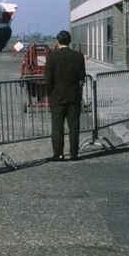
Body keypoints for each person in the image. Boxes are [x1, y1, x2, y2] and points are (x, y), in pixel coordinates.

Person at [45, 30, 86, 161]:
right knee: (74, 126)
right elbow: (81, 77)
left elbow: (48, 79)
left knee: (57, 126)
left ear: (57, 41)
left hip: (57, 95)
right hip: (74, 95)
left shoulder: (51, 57)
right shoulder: (78, 56)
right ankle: (74, 153)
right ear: (70, 41)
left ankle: (59, 154)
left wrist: (49, 93)